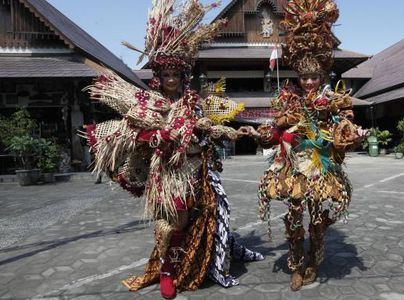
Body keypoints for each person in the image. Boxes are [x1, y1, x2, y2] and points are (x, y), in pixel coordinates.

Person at [83, 1, 263, 298]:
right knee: (173, 220)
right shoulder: (149, 104)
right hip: (169, 173)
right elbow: (136, 131)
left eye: (175, 76)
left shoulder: (193, 103)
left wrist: (236, 131)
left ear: (182, 77)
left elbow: (207, 127)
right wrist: (159, 136)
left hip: (198, 171)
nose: (170, 80)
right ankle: (167, 270)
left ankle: (198, 265)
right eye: (165, 75)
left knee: (205, 217)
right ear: (159, 77)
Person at [245, 0, 366, 291]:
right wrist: (266, 135)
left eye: (314, 77)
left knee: (316, 215)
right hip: (294, 168)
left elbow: (343, 132)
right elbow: (278, 134)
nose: (309, 82)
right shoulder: (289, 102)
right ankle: (297, 263)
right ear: (298, 77)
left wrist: (350, 136)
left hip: (321, 167)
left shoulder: (335, 101)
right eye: (304, 77)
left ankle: (315, 258)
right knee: (295, 215)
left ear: (322, 76)